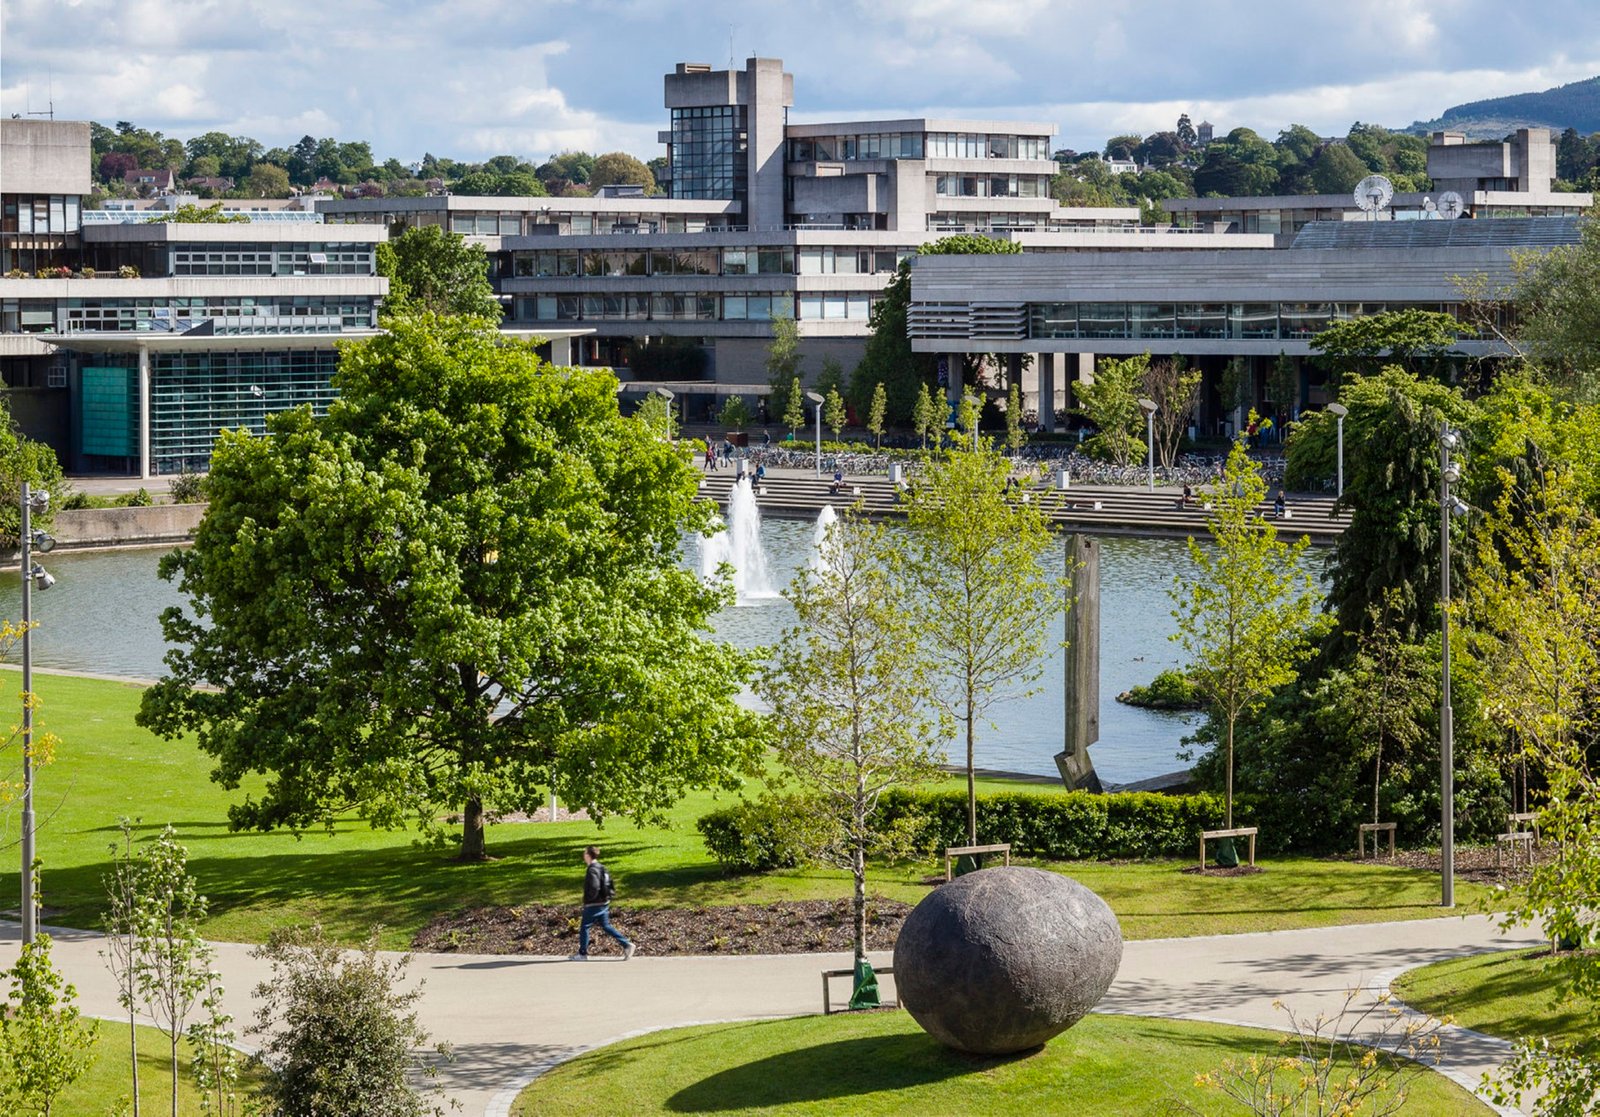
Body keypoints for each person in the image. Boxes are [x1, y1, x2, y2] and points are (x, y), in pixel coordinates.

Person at [570, 845, 635, 961]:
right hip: (604, 902)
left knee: (584, 927)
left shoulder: (592, 869)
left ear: (588, 856)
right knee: (606, 926)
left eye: (584, 853)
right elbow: (610, 883)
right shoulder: (602, 867)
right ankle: (627, 944)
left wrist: (589, 899)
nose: (583, 856)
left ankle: (582, 954)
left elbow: (595, 886)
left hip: (594, 904)